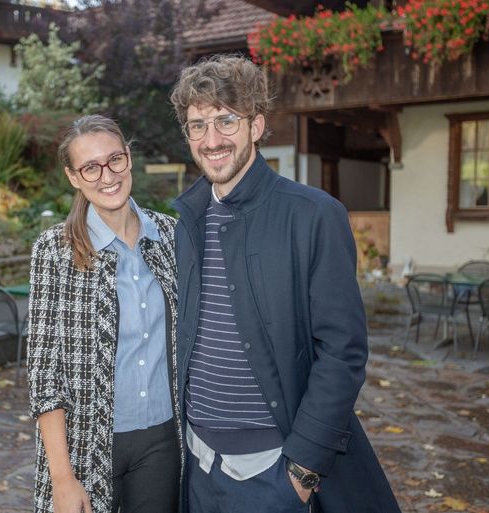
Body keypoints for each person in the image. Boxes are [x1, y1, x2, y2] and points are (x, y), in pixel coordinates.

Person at [168, 55, 401, 513]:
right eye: (198, 125)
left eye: (225, 121)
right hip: (196, 468)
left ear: (256, 125)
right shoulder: (187, 221)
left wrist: (302, 470)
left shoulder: (314, 215)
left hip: (272, 475)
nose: (211, 140)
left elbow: (343, 351)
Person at [27, 115, 182, 513]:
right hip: (85, 445)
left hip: (163, 441)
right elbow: (45, 374)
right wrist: (62, 478)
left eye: (115, 160)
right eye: (90, 167)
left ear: (129, 159)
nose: (106, 175)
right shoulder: (55, 250)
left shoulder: (171, 237)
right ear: (73, 177)